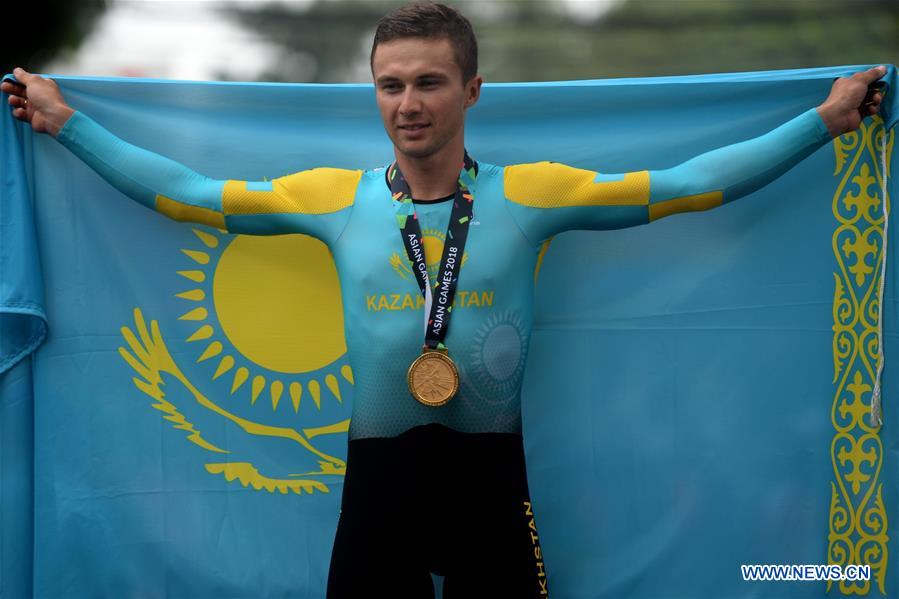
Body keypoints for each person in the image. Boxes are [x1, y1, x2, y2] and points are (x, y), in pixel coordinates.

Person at [2, 2, 886, 597]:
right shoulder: (332, 198)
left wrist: (821, 122)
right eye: (391, 84)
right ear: (374, 93)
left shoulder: (532, 194)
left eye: (428, 82)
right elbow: (190, 194)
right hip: (378, 482)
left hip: (489, 485)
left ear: (470, 90)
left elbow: (687, 185)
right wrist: (65, 122)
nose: (408, 103)